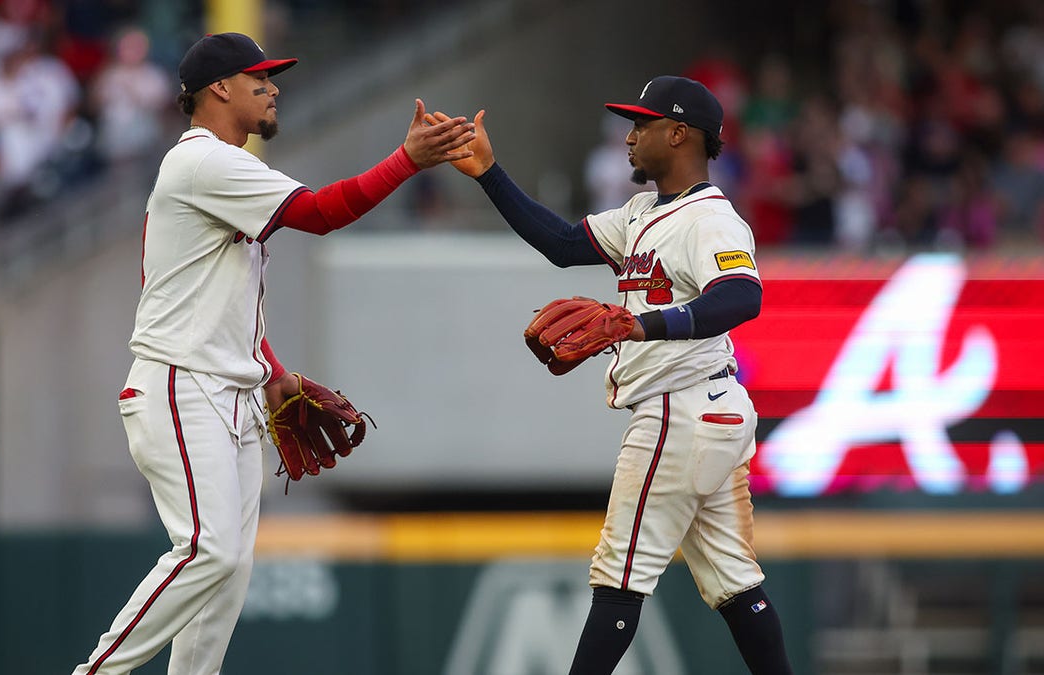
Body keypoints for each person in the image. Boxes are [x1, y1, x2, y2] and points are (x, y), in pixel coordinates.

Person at [71, 32, 474, 675]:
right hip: (181, 386)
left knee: (226, 578)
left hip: (229, 390)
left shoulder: (226, 169)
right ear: (219, 89)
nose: (274, 87)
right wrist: (405, 160)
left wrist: (275, 372)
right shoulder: (205, 161)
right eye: (260, 78)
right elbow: (319, 212)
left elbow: (217, 300)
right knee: (209, 554)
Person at [432, 76, 793, 674]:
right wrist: (489, 173)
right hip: (707, 407)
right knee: (735, 584)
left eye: (642, 124)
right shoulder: (644, 212)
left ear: (679, 134)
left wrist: (644, 328)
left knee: (619, 573)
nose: (628, 137)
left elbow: (741, 297)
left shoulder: (711, 219)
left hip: (680, 410)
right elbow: (561, 243)